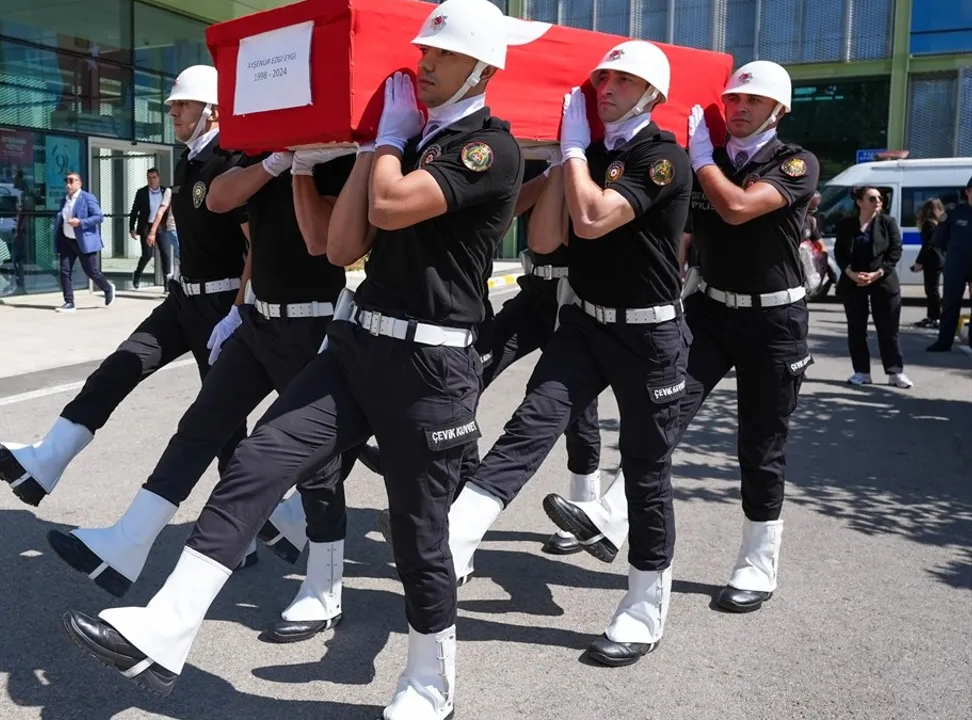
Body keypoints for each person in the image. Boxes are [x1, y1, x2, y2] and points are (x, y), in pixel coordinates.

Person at [58, 2, 540, 715]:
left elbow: (393, 207)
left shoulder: (489, 150)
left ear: (482, 67)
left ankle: (430, 684)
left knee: (417, 533)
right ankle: (166, 626)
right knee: (256, 460)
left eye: (441, 53)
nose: (424, 61)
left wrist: (385, 139)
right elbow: (340, 249)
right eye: (423, 51)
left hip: (430, 373)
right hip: (355, 344)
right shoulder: (401, 144)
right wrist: (308, 170)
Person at [46, 145, 362, 645]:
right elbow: (225, 210)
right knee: (199, 426)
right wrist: (239, 306)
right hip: (258, 321)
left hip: (310, 323)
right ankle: (128, 542)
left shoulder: (336, 155)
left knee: (314, 469)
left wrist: (302, 167)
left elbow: (325, 242)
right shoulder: (262, 153)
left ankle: (325, 589)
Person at [547, 60, 821, 622]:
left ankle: (755, 564)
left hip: (774, 322)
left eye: (753, 101)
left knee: (761, 446)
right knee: (661, 419)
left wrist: (701, 160)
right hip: (708, 309)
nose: (739, 108)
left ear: (779, 109)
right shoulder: (704, 157)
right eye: (733, 100)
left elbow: (738, 208)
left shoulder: (794, 162)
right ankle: (612, 516)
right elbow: (681, 237)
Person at [462, 38, 692, 668]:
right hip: (585, 324)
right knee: (530, 424)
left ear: (651, 94)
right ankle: (455, 537)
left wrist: (569, 155)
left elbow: (592, 221)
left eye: (621, 80)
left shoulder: (663, 157)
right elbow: (543, 237)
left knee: (645, 474)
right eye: (602, 79)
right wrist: (568, 160)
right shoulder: (588, 154)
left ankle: (644, 612)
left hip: (649, 338)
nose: (605, 87)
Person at [0, 65, 250, 528]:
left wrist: (239, 313)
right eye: (172, 104)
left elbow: (254, 246)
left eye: (182, 104)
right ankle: (45, 463)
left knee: (221, 422)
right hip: (184, 299)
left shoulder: (233, 161)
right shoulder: (186, 160)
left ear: (214, 111)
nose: (173, 111)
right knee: (121, 365)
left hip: (221, 305)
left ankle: (234, 530)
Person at [356, 154, 606, 568]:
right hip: (535, 296)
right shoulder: (535, 160)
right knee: (474, 368)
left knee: (572, 407)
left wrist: (576, 159)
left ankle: (583, 505)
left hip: (580, 298)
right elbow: (507, 215)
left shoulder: (597, 156)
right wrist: (549, 171)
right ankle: (445, 484)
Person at [834, 185, 909, 387]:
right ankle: (861, 372)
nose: (878, 202)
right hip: (854, 283)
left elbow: (895, 250)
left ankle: (895, 373)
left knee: (888, 329)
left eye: (880, 198)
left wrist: (878, 273)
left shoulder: (887, 222)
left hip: (882, 282)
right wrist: (850, 273)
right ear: (859, 202)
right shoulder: (846, 224)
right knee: (856, 329)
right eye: (872, 198)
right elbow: (840, 252)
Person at [53, 171, 114, 312]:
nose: (68, 184)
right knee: (64, 271)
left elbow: (98, 217)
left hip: (83, 241)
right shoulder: (65, 200)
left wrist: (80, 222)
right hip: (67, 241)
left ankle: (107, 288)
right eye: (66, 181)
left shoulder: (87, 198)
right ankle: (69, 302)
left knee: (91, 271)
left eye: (71, 181)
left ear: (79, 183)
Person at [928, 177, 972, 352]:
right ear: (968, 191)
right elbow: (939, 240)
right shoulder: (954, 213)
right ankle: (944, 341)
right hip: (957, 264)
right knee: (950, 303)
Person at [129, 167, 173, 289]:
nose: (152, 180)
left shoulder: (165, 191)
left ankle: (166, 283)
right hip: (146, 226)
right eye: (149, 178)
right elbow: (134, 211)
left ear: (158, 178)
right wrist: (132, 228)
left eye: (154, 177)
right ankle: (137, 274)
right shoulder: (142, 192)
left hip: (161, 226)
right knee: (147, 255)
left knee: (165, 253)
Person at [912, 197, 946, 329]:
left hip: (932, 260)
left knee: (931, 290)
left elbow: (927, 245)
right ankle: (933, 317)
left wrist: (919, 262)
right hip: (940, 259)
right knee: (933, 290)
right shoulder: (940, 223)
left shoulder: (928, 224)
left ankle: (934, 318)